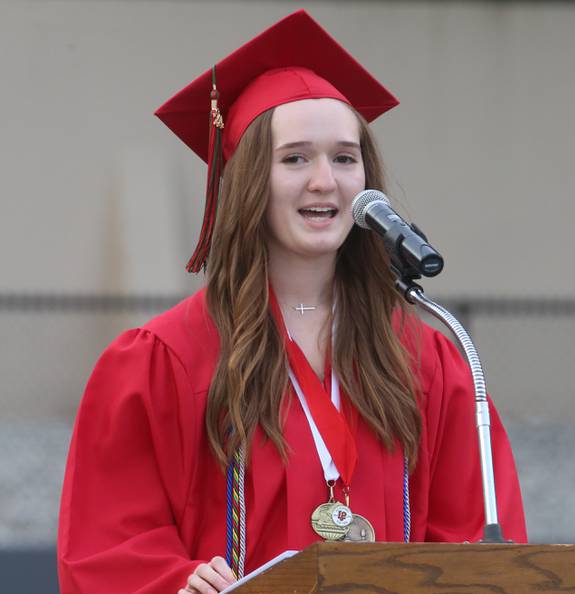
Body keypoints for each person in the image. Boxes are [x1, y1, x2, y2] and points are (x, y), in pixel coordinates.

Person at [57, 10, 527, 594]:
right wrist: (180, 582)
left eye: (345, 157)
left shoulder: (429, 359)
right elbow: (108, 545)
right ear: (249, 178)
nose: (325, 181)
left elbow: (475, 549)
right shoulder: (162, 360)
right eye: (295, 158)